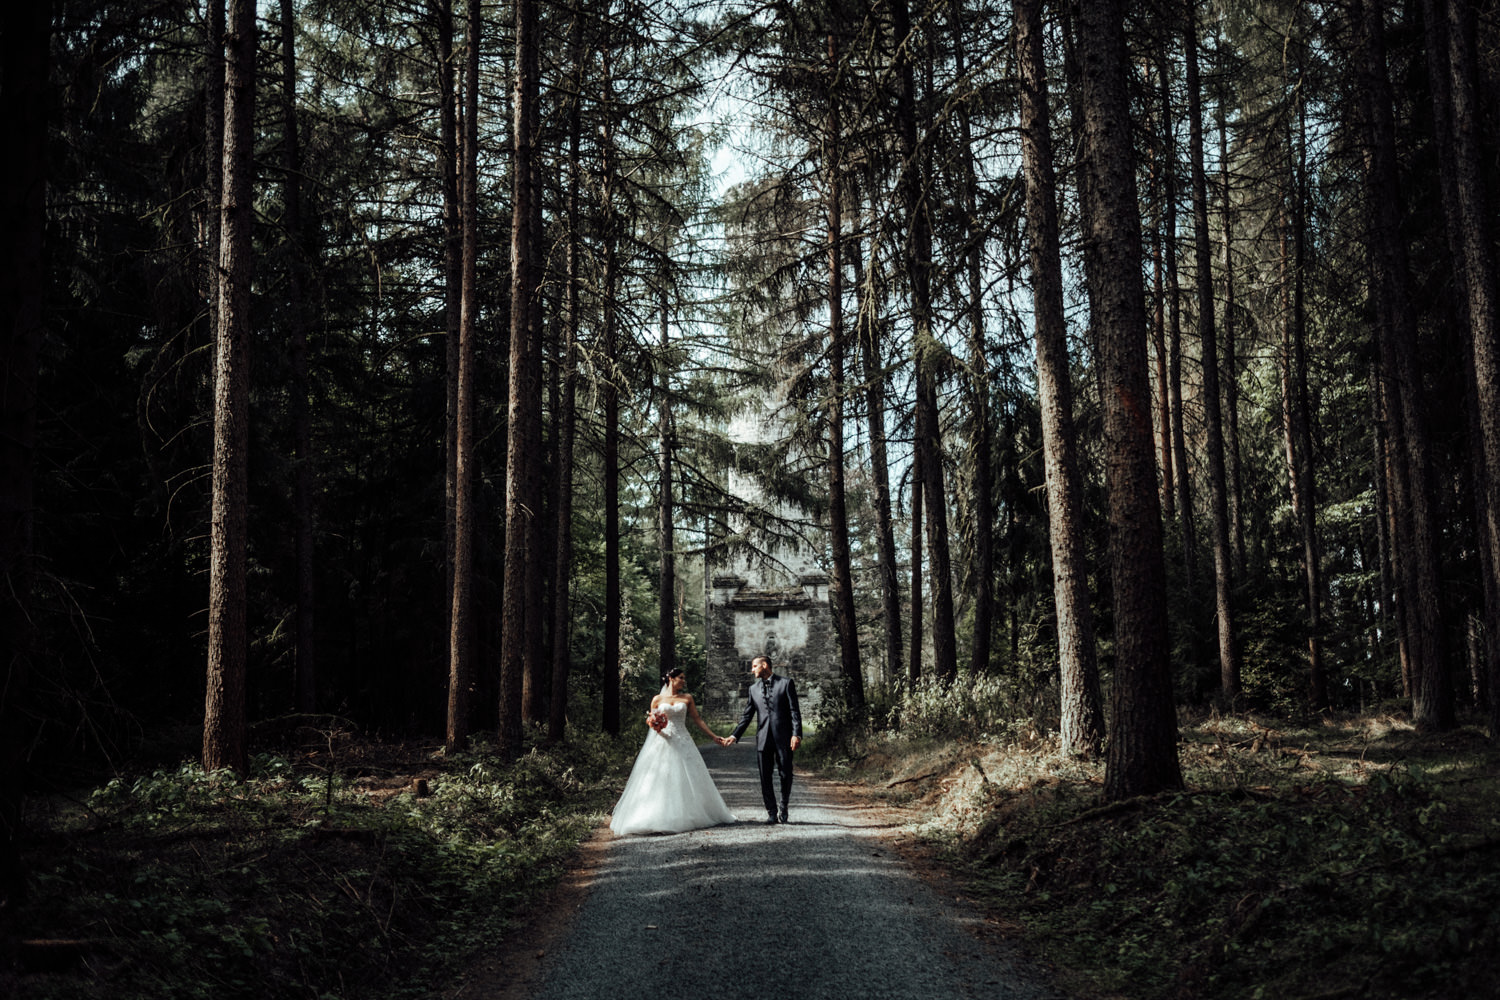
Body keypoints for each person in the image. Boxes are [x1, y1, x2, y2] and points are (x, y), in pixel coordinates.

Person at [609, 667, 737, 836]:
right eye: (681, 678)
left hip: (682, 739)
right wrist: (656, 726)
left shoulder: (687, 698)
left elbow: (697, 720)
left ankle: (687, 814)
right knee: (658, 777)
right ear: (671, 678)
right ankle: (653, 816)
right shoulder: (657, 699)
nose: (684, 681)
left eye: (684, 678)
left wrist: (713, 736)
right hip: (662, 740)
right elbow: (652, 720)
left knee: (688, 775)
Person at [726, 654, 801, 824]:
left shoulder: (786, 683)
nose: (752, 670)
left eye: (754, 666)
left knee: (785, 774)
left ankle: (784, 807)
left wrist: (796, 734)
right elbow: (747, 716)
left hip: (784, 738)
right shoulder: (753, 690)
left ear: (764, 665)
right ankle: (772, 812)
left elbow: (794, 711)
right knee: (764, 776)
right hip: (763, 739)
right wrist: (734, 735)